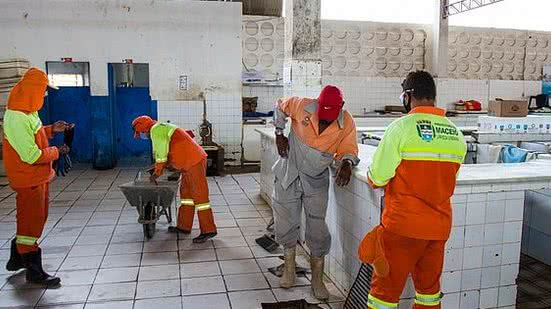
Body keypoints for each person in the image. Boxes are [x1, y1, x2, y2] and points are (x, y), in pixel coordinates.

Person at [358, 71, 467, 309]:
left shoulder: (401, 128)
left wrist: (371, 177)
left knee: (383, 295)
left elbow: (378, 176)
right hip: (438, 229)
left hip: (402, 227)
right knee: (429, 292)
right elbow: (450, 179)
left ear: (408, 96)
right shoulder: (455, 134)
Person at [272, 85, 359, 300]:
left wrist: (347, 163)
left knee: (317, 227)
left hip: (316, 179)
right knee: (286, 221)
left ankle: (317, 279)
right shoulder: (302, 105)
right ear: (318, 104)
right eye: (323, 114)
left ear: (342, 107)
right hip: (288, 173)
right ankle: (290, 269)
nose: (325, 120)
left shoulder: (346, 121)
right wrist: (279, 133)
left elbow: (349, 148)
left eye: (330, 117)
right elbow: (279, 106)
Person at [4, 68, 73, 286]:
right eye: (43, 90)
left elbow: (34, 135)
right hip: (28, 178)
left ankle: (17, 257)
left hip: (38, 177)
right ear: (34, 90)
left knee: (36, 218)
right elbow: (30, 154)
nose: (45, 95)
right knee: (31, 222)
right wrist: (57, 151)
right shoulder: (16, 117)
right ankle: (34, 272)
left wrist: (52, 129)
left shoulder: (28, 111)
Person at [132, 116, 217, 243]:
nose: (143, 136)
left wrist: (157, 173)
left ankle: (208, 230)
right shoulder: (161, 127)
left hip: (193, 160)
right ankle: (184, 226)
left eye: (141, 133)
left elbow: (161, 154)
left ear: (144, 129)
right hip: (188, 162)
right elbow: (170, 149)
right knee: (186, 196)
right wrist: (162, 167)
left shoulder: (155, 130)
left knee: (200, 197)